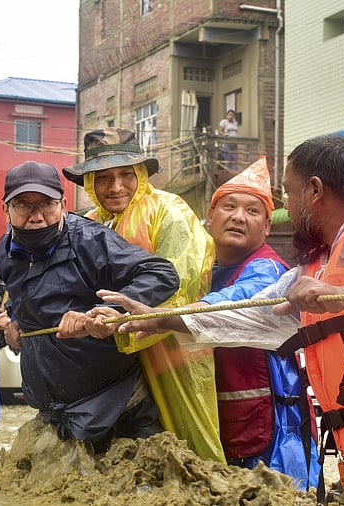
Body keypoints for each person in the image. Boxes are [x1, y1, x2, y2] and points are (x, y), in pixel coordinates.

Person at [101, 134, 344, 504]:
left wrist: (339, 298)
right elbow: (251, 315)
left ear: (314, 190)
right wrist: (162, 319)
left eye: (289, 196)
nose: (288, 210)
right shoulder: (320, 265)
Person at [0, 160, 181, 454]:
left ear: (64, 204)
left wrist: (107, 312)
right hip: (55, 413)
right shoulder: (5, 252)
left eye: (47, 204)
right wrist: (16, 324)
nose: (37, 216)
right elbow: (19, 296)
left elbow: (162, 274)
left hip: (119, 407)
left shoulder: (91, 241)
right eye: (23, 205)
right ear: (6, 210)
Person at [61, 127, 224, 463]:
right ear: (90, 182)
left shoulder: (169, 210)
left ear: (140, 173)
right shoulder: (87, 224)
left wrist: (125, 321)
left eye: (125, 174)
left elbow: (184, 281)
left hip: (171, 352)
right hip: (108, 360)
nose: (115, 186)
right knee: (121, 458)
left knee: (188, 446)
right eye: (103, 177)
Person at [195, 156, 320, 488]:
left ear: (266, 227)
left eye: (252, 212)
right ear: (210, 217)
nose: (238, 217)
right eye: (229, 207)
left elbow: (239, 302)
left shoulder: (269, 270)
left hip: (275, 426)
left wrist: (158, 320)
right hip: (222, 418)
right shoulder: (198, 269)